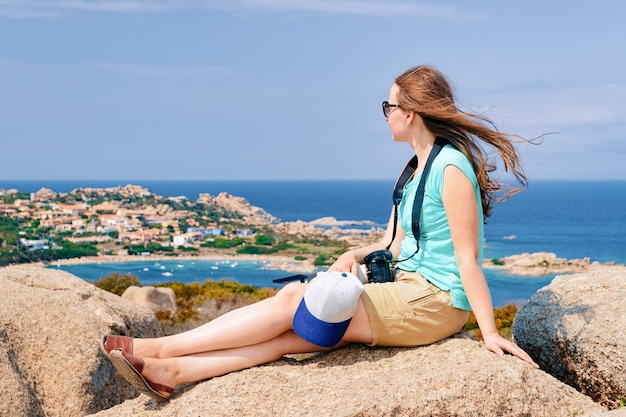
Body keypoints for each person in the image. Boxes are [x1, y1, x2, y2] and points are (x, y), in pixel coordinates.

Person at [101, 65, 539, 401]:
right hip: (407, 288)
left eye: (389, 107)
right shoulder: (415, 168)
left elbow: (467, 259)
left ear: (411, 112)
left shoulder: (451, 167)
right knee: (294, 334)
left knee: (294, 302)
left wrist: (489, 333)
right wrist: (356, 253)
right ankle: (172, 374)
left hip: (437, 302)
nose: (385, 116)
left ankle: (159, 350)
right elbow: (395, 244)